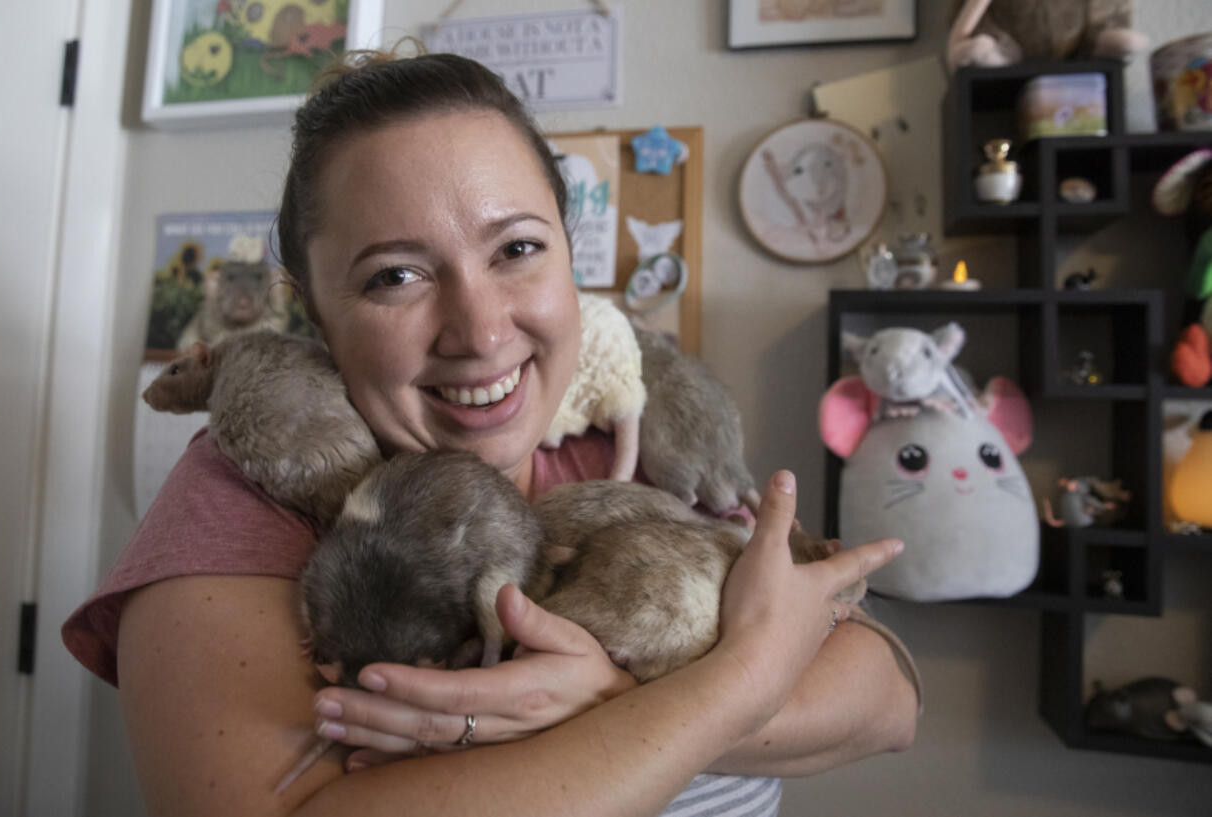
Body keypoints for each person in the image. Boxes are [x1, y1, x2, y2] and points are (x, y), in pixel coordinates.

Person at [62, 48, 917, 817]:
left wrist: (605, 696)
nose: (478, 329)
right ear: (313, 311)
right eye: (395, 275)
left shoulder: (622, 435)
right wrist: (739, 682)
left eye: (516, 249)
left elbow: (886, 699)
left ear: (569, 254)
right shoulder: (248, 490)